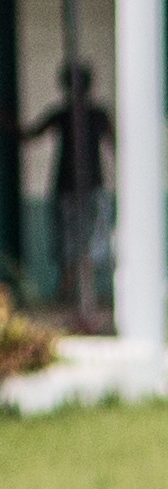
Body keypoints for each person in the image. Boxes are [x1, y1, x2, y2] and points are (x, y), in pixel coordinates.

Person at [19, 62, 113, 317]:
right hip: (81, 186)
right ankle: (76, 296)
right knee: (81, 243)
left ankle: (73, 296)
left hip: (76, 187)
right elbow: (115, 147)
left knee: (74, 243)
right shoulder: (91, 115)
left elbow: (28, 135)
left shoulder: (71, 115)